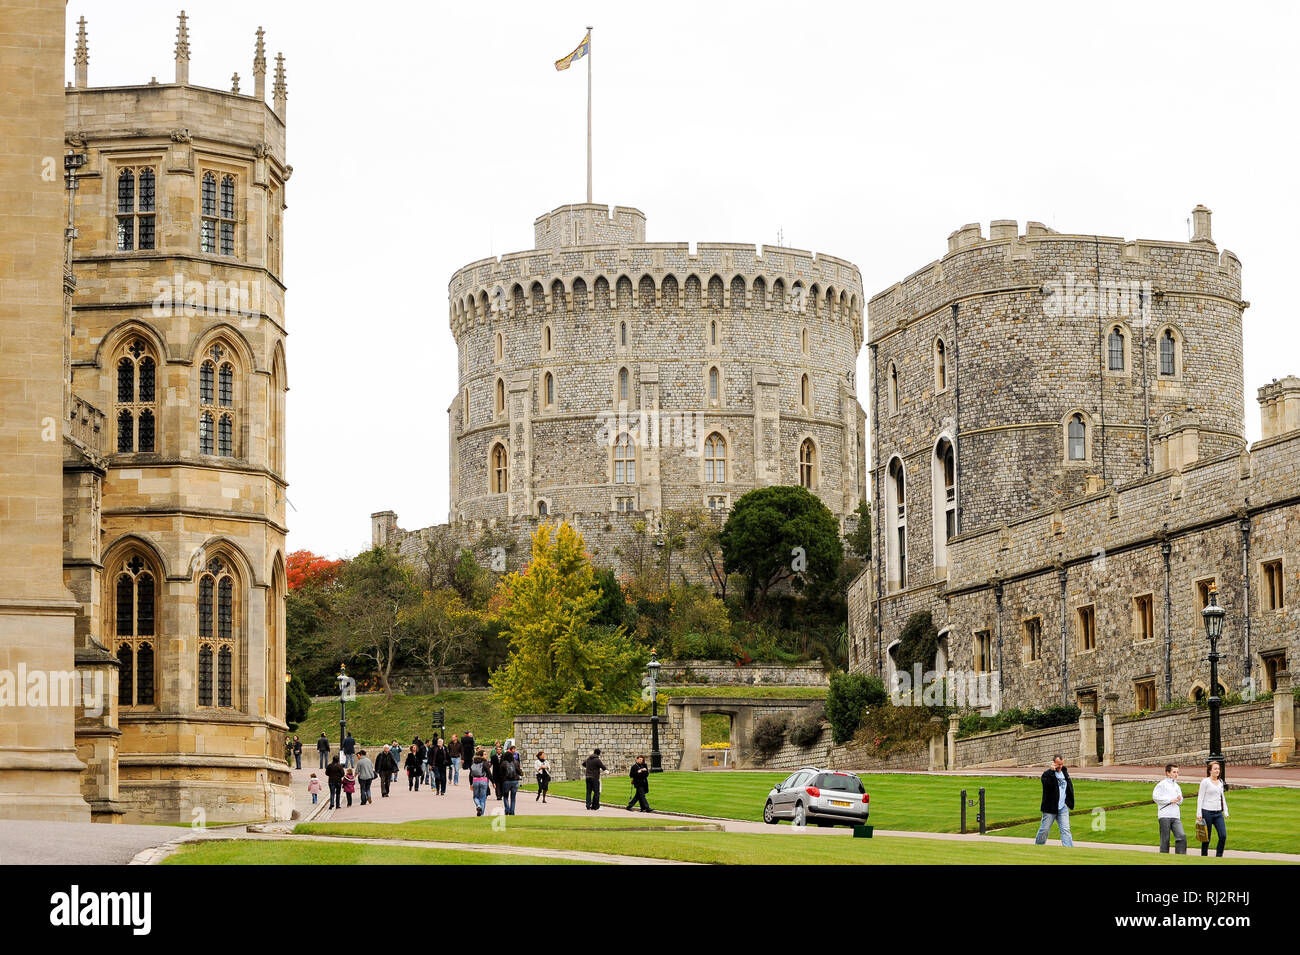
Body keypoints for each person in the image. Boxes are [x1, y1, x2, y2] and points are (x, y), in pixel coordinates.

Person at [1033, 754, 1074, 847]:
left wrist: (1068, 803)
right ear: (1054, 763)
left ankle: (1069, 849)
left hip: (1062, 807)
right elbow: (1047, 785)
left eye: (1061, 764)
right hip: (1050, 808)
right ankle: (1038, 846)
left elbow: (1069, 788)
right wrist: (1051, 772)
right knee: (1044, 829)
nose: (1060, 766)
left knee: (1066, 829)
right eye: (1058, 764)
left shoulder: (1065, 773)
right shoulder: (1047, 774)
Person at [1196, 760, 1229, 857]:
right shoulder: (1205, 782)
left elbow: (1222, 796)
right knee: (1206, 838)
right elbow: (1200, 797)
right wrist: (1199, 813)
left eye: (1218, 769)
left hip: (1218, 813)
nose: (1217, 771)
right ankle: (1204, 857)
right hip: (1207, 812)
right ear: (1210, 770)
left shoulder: (1221, 782)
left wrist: (1225, 810)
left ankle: (1219, 856)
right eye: (1215, 769)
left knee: (1223, 835)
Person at [1153, 763, 1187, 854]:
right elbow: (1155, 797)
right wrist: (1169, 800)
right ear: (1168, 773)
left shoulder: (1177, 786)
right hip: (1164, 815)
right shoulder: (1162, 784)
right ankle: (1164, 859)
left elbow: (1180, 800)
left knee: (1181, 835)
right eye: (1174, 772)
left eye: (1177, 772)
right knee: (1165, 839)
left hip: (1176, 815)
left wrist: (1179, 799)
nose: (1176, 774)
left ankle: (1180, 857)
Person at [468, 748, 491, 817]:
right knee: (483, 799)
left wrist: (470, 784)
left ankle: (478, 805)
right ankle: (481, 814)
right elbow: (489, 773)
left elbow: (470, 775)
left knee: (475, 797)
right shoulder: (484, 763)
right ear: (481, 756)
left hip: (475, 780)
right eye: (485, 754)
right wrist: (493, 782)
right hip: (484, 780)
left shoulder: (473, 763)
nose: (486, 755)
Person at [500, 744, 521, 815]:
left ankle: (507, 809)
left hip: (506, 781)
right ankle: (512, 812)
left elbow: (501, 773)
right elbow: (519, 771)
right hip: (515, 781)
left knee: (505, 797)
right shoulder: (516, 762)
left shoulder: (503, 763)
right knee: (513, 798)